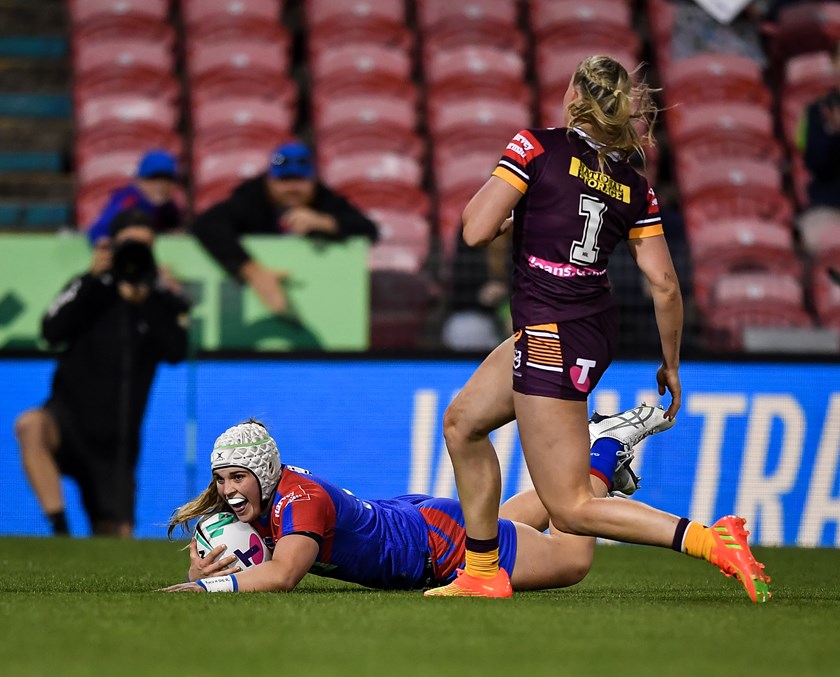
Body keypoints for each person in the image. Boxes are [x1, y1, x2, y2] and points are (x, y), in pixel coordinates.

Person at [422, 55, 771, 602]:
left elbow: (474, 231)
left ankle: (710, 539)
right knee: (463, 423)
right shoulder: (634, 186)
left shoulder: (534, 148)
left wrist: (511, 217)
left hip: (548, 333)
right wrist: (671, 364)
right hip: (588, 327)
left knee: (570, 508)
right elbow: (665, 285)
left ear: (575, 96)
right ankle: (483, 571)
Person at [162, 410, 669, 593]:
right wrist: (204, 570)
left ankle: (602, 451)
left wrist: (208, 589)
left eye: (238, 478)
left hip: (439, 545)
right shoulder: (264, 501)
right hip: (417, 524)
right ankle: (593, 452)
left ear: (265, 474)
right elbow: (257, 561)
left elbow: (281, 575)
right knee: (505, 524)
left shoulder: (298, 500)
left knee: (571, 559)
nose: (228, 491)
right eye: (221, 480)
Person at [15, 208, 191, 537]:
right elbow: (50, 331)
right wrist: (90, 279)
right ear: (110, 245)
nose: (134, 253)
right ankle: (59, 530)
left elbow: (176, 352)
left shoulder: (158, 299)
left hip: (118, 442)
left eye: (144, 246)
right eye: (127, 245)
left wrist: (152, 299)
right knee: (30, 425)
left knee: (115, 535)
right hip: (67, 420)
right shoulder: (89, 286)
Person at [190, 141, 379, 316]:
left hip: (320, 303)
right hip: (248, 305)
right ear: (269, 180)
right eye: (284, 180)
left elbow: (369, 230)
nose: (292, 188)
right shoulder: (251, 199)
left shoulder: (324, 199)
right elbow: (206, 225)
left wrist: (324, 222)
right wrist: (254, 272)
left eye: (300, 180)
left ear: (314, 181)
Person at [795, 41, 840, 257]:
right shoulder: (817, 111)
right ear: (834, 64)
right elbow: (816, 163)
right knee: (816, 236)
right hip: (829, 207)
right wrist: (833, 132)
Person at [86, 150, 181, 244]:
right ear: (138, 180)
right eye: (153, 178)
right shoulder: (128, 199)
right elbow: (99, 230)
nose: (161, 185)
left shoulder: (169, 206)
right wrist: (104, 243)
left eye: (168, 179)